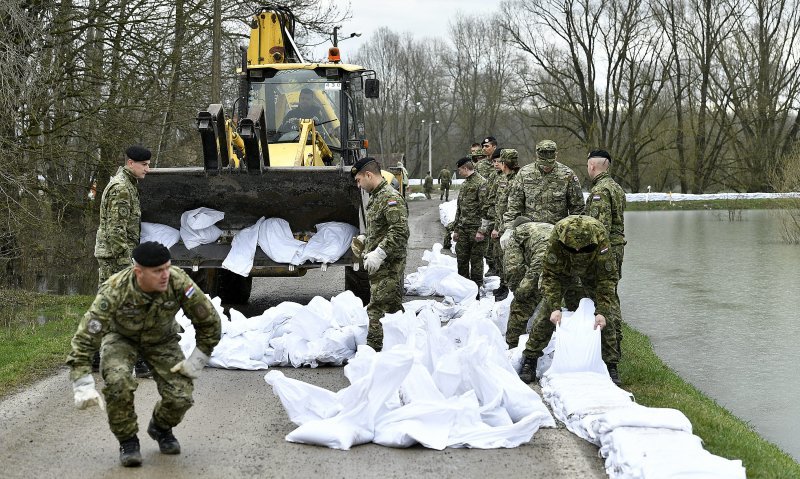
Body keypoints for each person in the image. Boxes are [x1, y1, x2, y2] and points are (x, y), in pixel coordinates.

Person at [66, 242, 222, 467]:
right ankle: (128, 440)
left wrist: (197, 360)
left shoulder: (178, 282)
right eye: (158, 271)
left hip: (162, 340)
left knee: (181, 395)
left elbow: (209, 322)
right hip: (121, 338)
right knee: (118, 383)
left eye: (167, 268)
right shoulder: (116, 288)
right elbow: (86, 336)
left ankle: (160, 428)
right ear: (139, 272)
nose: (165, 275)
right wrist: (81, 381)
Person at [518, 215, 622, 386]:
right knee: (547, 315)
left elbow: (606, 279)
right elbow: (550, 276)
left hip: (592, 271)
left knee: (607, 316)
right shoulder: (557, 236)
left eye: (585, 249)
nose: (578, 252)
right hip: (562, 270)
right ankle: (530, 359)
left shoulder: (600, 237)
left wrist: (601, 311)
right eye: (573, 249)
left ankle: (611, 364)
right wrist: (554, 307)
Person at [94, 145, 152, 378]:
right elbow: (115, 230)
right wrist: (127, 263)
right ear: (131, 163)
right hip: (116, 258)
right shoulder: (122, 188)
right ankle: (138, 362)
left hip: (112, 256)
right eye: (144, 165)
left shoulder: (127, 184)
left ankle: (95, 356)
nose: (148, 169)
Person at [350, 157, 409, 350]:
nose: (358, 185)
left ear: (369, 175)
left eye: (359, 180)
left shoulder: (389, 197)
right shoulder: (376, 197)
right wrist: (366, 239)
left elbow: (400, 231)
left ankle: (374, 353)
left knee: (377, 311)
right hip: (379, 267)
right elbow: (381, 228)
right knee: (390, 311)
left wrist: (379, 253)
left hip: (389, 266)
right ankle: (394, 350)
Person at [501, 140, 585, 248]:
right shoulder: (524, 174)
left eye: (550, 164)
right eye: (543, 164)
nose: (546, 167)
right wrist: (509, 229)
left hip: (558, 236)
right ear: (536, 156)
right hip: (531, 235)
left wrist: (575, 233)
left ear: (556, 155)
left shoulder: (567, 175)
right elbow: (514, 207)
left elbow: (578, 208)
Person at [585, 149, 627, 347]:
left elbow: (599, 228)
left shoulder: (600, 191)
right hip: (617, 248)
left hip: (605, 250)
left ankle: (611, 342)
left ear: (592, 166)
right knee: (611, 293)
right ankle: (616, 338)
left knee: (604, 296)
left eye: (588, 166)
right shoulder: (616, 187)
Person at [503, 216, 554, 348]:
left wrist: (518, 291)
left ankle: (513, 347)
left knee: (521, 304)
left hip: (542, 261)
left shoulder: (517, 233)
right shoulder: (546, 226)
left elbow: (513, 268)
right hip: (571, 259)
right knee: (557, 304)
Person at [452, 156, 490, 292]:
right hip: (463, 228)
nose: (458, 172)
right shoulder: (465, 184)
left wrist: (482, 230)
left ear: (465, 168)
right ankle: (463, 288)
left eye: (459, 170)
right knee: (461, 259)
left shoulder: (482, 183)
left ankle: (476, 288)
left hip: (476, 229)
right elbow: (460, 208)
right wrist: (456, 229)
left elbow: (486, 208)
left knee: (476, 261)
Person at [489, 149, 522, 301]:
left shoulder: (518, 179)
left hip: (510, 227)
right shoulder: (502, 178)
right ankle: (503, 285)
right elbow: (498, 203)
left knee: (510, 260)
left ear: (505, 163)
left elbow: (514, 208)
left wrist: (502, 228)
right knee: (499, 257)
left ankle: (509, 289)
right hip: (499, 223)